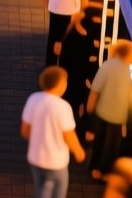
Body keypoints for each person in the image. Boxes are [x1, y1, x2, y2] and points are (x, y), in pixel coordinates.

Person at [23, 66, 87, 198]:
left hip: (35, 158)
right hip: (56, 162)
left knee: (42, 190)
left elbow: (25, 130)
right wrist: (78, 151)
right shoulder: (63, 107)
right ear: (61, 84)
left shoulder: (33, 99)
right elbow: (68, 135)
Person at [87, 39, 132, 180]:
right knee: (111, 146)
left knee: (101, 142)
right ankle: (101, 171)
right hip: (115, 115)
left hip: (104, 112)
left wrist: (91, 108)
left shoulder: (108, 66)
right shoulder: (124, 69)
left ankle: (96, 168)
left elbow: (95, 89)